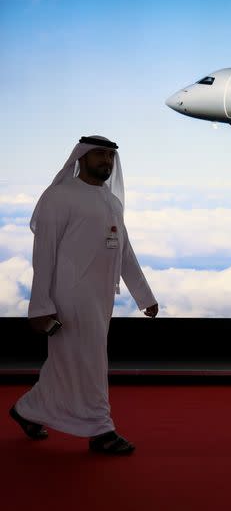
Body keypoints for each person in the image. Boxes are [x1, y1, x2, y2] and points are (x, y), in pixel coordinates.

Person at [8, 135, 158, 455]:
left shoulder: (111, 201)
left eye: (110, 156)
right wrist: (40, 306)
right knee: (89, 362)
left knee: (67, 362)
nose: (106, 161)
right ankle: (100, 431)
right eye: (99, 154)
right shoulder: (59, 197)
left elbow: (124, 252)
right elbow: (43, 255)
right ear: (83, 157)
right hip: (68, 297)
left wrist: (144, 296)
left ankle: (26, 410)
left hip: (100, 298)